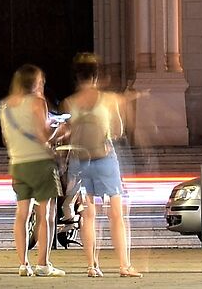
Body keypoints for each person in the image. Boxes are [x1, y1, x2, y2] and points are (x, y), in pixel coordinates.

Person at [60, 55, 137, 278]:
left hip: (80, 162)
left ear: (77, 77)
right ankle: (124, 265)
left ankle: (92, 266)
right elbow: (118, 131)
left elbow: (68, 133)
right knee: (116, 213)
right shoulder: (108, 99)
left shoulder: (69, 102)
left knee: (88, 214)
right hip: (105, 159)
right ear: (96, 76)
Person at [0, 65, 63, 277]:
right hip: (40, 163)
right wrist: (58, 129)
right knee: (45, 215)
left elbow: (6, 137)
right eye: (41, 82)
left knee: (22, 214)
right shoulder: (38, 102)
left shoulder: (6, 105)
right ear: (35, 83)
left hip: (17, 163)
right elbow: (43, 135)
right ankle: (43, 264)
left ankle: (23, 264)